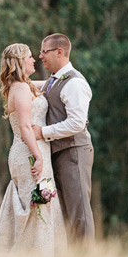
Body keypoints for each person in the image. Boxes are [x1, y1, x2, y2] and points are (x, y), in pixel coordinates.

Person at [0, 43, 68, 257]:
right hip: (30, 156)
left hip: (38, 154)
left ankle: (44, 256)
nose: (34, 60)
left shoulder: (26, 85)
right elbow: (24, 127)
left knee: (44, 204)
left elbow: (52, 84)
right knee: (37, 208)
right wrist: (39, 158)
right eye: (30, 57)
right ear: (20, 62)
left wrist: (70, 76)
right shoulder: (21, 89)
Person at [32, 33, 95, 242]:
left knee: (79, 212)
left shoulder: (74, 83)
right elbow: (35, 86)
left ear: (60, 52)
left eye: (44, 52)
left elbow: (77, 123)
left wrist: (43, 132)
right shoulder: (55, 81)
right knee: (64, 214)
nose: (40, 56)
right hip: (58, 154)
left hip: (74, 152)